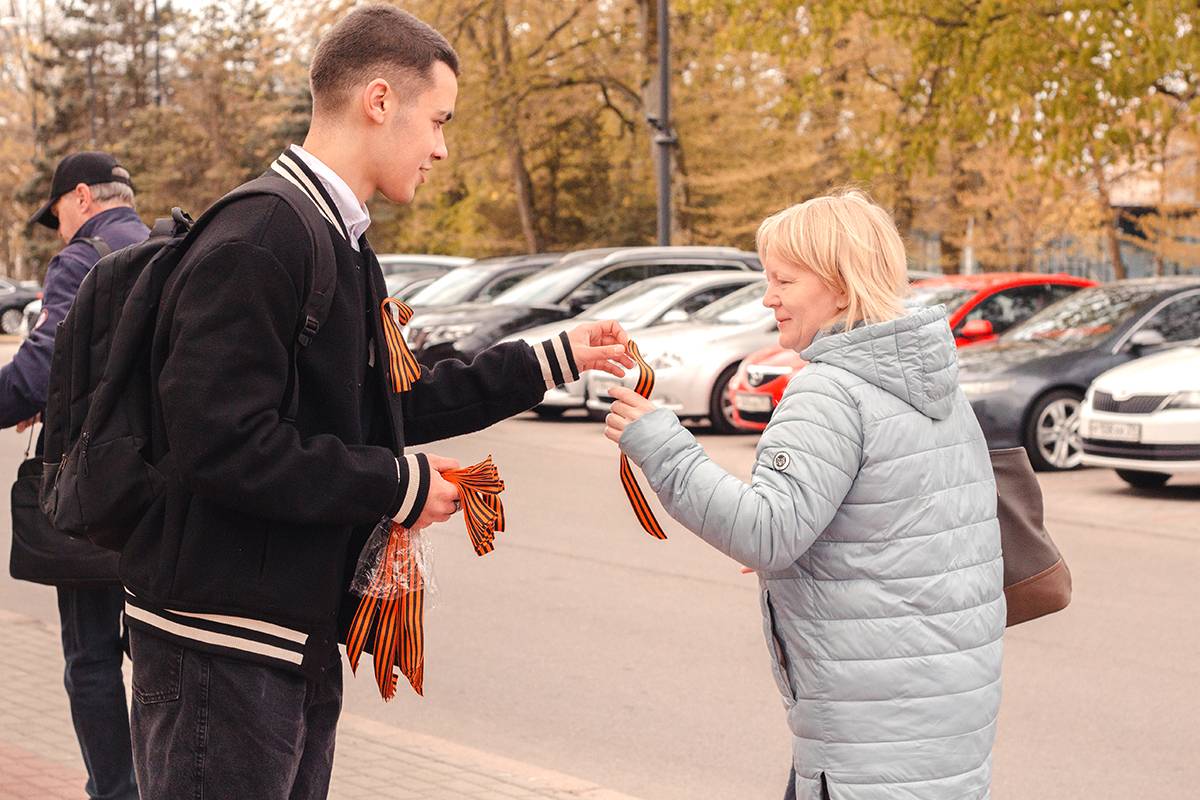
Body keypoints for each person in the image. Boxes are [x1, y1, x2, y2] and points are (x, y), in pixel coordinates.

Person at [120, 6, 632, 799]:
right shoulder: (262, 238)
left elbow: (393, 399)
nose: (440, 147)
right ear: (380, 101)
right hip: (221, 648)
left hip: (287, 638)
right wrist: (400, 485)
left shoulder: (338, 238)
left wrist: (548, 359)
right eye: (438, 120)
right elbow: (218, 444)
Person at [607, 190, 1004, 800]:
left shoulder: (829, 390)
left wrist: (658, 440)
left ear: (841, 287)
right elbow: (913, 528)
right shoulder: (935, 387)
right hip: (944, 719)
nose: (767, 298)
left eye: (783, 280)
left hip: (867, 738)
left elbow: (767, 534)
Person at [1, 151, 149, 800]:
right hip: (163, 496)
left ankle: (114, 792)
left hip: (97, 500)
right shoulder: (172, 245)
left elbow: (38, 367)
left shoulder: (85, 258)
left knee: (90, 657)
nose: (59, 229)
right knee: (154, 659)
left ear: (82, 196)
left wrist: (32, 398)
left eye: (58, 212)